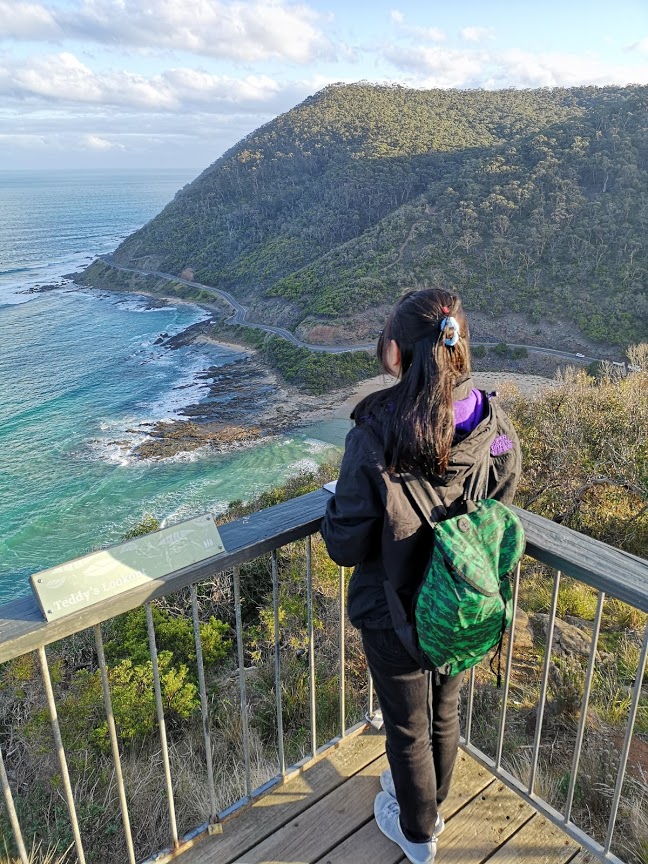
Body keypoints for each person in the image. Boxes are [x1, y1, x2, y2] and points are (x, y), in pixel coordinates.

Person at [320, 288, 520, 864]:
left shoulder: (375, 431)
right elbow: (500, 499)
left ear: (394, 354)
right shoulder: (491, 417)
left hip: (395, 608)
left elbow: (346, 542)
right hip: (462, 599)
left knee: (407, 727)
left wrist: (341, 505)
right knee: (445, 709)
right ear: (457, 345)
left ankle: (417, 831)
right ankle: (432, 804)